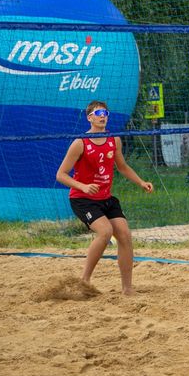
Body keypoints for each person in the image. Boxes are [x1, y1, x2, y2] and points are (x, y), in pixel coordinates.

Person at [55, 100, 154, 296]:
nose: (103, 116)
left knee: (125, 235)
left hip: (105, 198)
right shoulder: (79, 143)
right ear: (89, 117)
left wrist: (141, 182)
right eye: (99, 113)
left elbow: (123, 167)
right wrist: (83, 186)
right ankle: (84, 280)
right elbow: (61, 174)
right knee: (105, 232)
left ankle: (127, 288)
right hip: (82, 199)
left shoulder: (114, 140)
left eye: (106, 113)